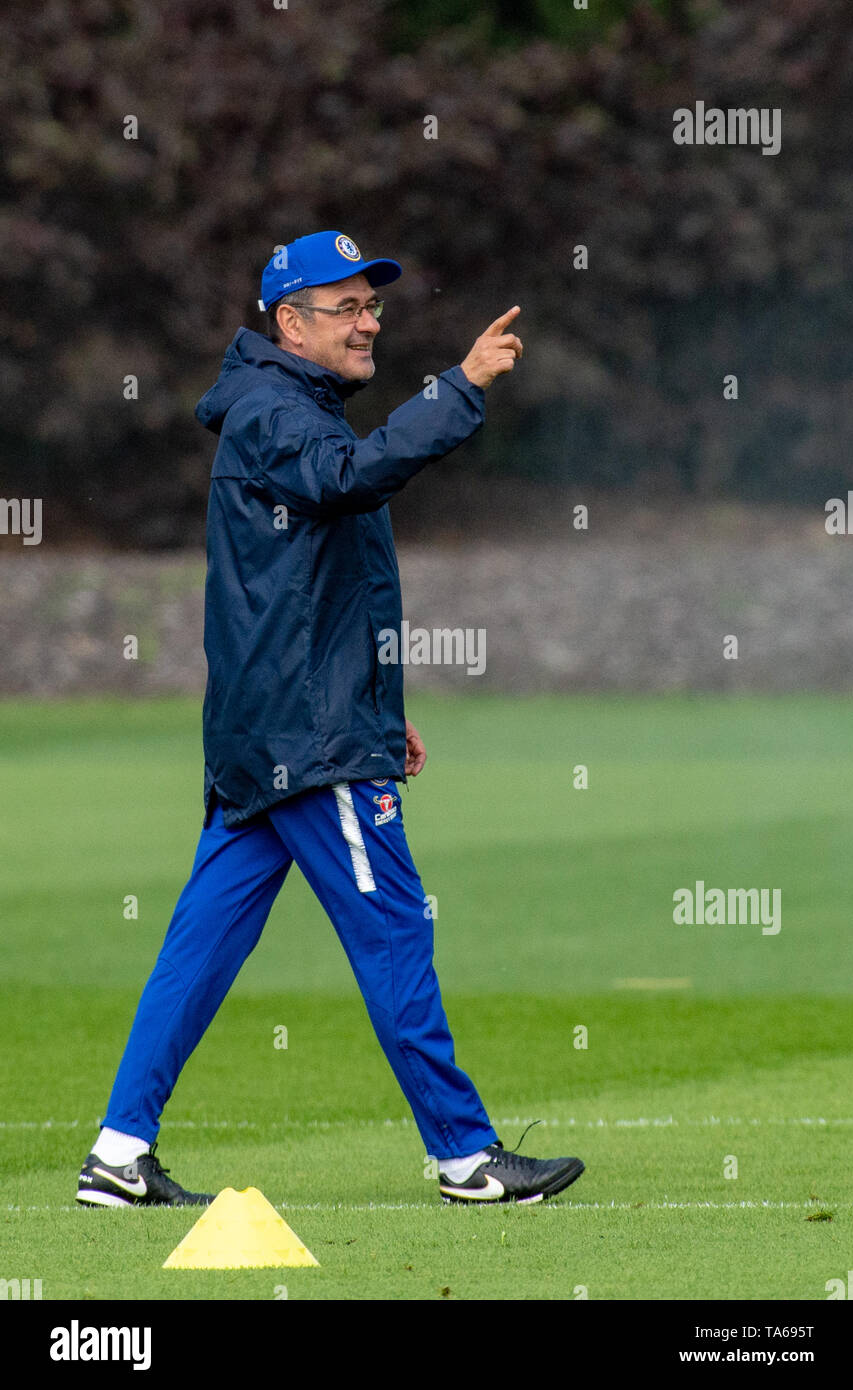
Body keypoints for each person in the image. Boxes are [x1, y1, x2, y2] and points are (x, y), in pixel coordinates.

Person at [75, 231, 585, 1208]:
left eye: (372, 305)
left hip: (280, 736)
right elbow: (354, 479)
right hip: (308, 746)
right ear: (289, 323)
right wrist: (460, 387)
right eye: (345, 307)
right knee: (395, 931)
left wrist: (381, 713)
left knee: (199, 948)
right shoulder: (275, 413)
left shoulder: (285, 409)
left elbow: (317, 594)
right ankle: (465, 1156)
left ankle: (118, 1151)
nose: (369, 323)